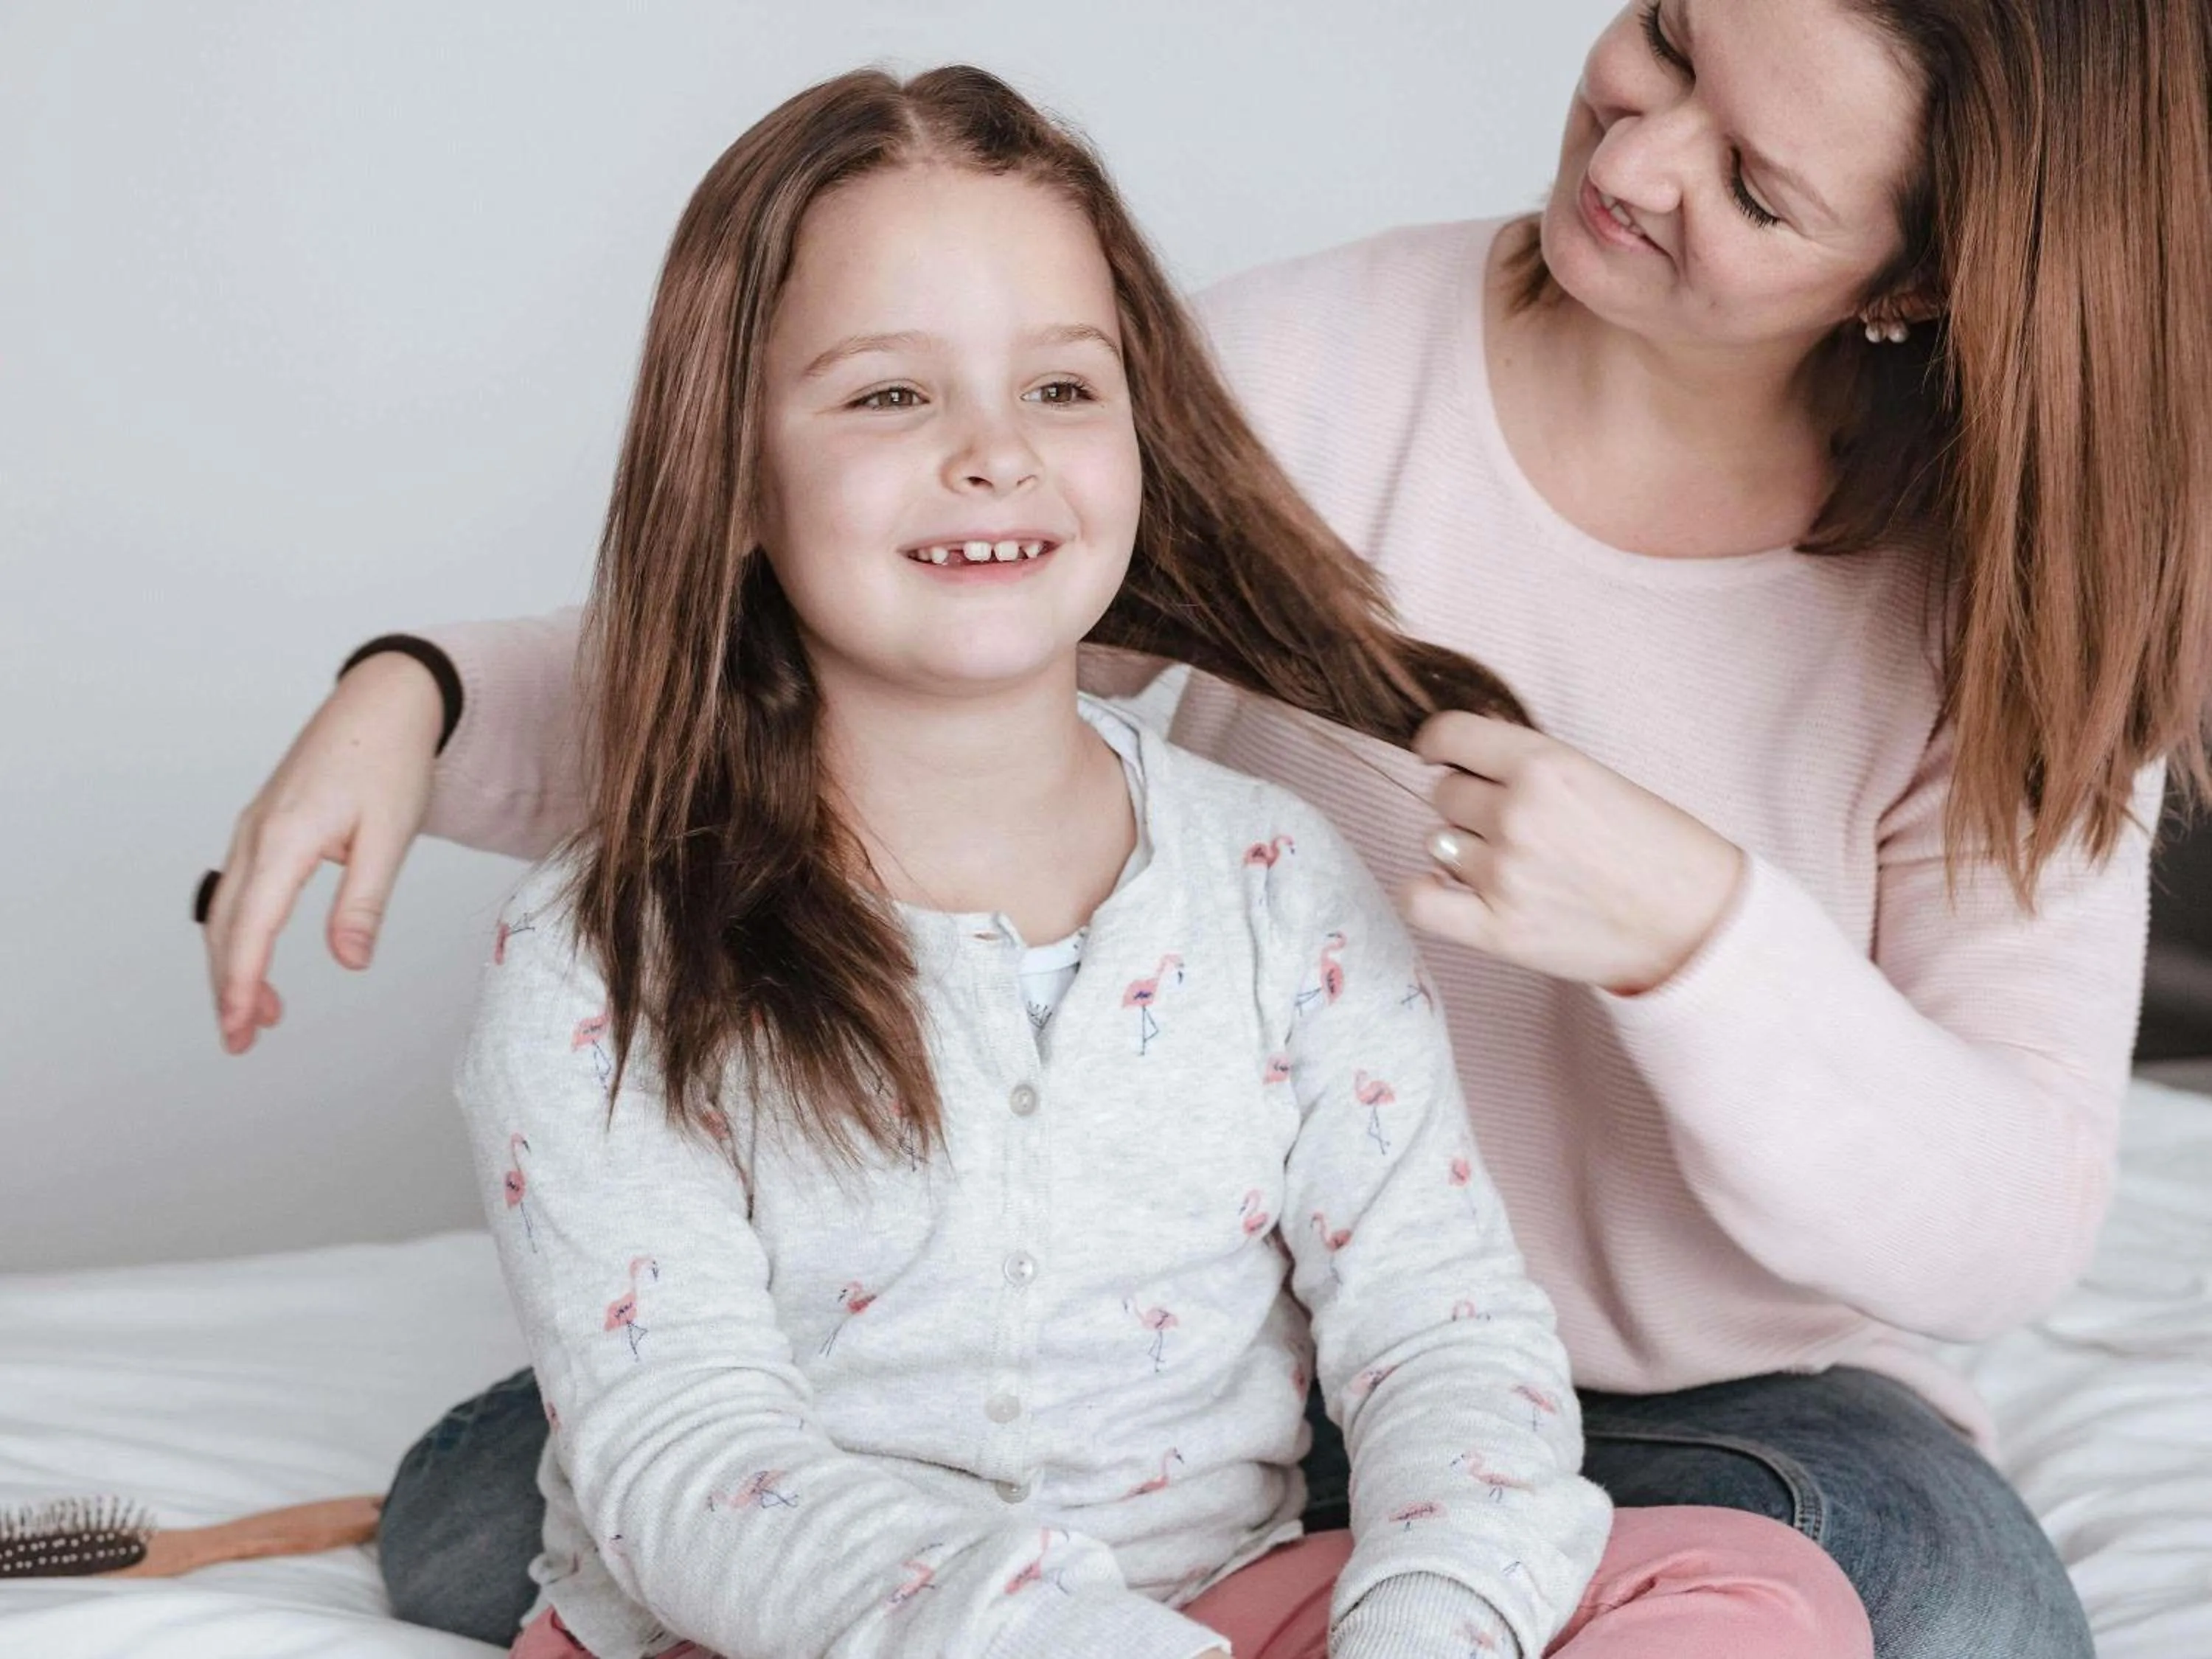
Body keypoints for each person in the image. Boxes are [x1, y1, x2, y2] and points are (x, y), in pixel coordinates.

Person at [199, 3, 2212, 1656]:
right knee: (513, 1527)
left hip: (1675, 1405)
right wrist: (423, 697)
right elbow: (860, 637)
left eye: (1758, 183)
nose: (1639, 152)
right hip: (1205, 1346)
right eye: (1667, 39)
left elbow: (2006, 1226)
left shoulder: (2022, 609)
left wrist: (1704, 941)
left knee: (1955, 1610)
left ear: (1922, 273)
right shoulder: (1291, 378)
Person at [432, 62, 1871, 1659]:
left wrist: (1429, 1625)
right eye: (890, 395)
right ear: (735, 478)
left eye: (1063, 387)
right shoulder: (602, 951)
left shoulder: (1278, 882)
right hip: (785, 1633)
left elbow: (1443, 1332)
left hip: (1217, 1602)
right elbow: (690, 1459)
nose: (996, 452)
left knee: (1761, 1592)